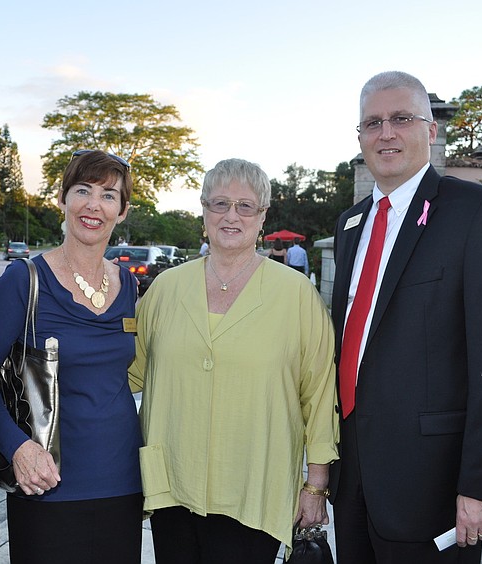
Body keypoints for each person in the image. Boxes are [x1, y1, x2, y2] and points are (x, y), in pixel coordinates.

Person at [329, 71, 482, 564]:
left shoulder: (479, 213)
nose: (386, 133)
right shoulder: (350, 224)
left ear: (431, 130)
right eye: (372, 123)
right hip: (352, 478)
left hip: (433, 487)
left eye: (402, 118)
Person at [129, 158, 339, 563]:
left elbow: (319, 395)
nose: (231, 216)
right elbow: (130, 374)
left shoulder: (296, 295)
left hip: (253, 485)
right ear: (203, 210)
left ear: (262, 217)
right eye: (220, 203)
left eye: (246, 206)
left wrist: (315, 487)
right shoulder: (164, 289)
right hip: (172, 479)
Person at [0, 149, 143, 563]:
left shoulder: (128, 286)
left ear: (122, 211)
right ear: (62, 199)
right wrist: (17, 447)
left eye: (109, 195)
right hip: (45, 483)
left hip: (123, 483)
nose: (94, 204)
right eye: (83, 190)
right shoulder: (25, 280)